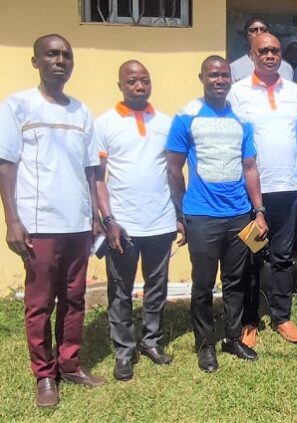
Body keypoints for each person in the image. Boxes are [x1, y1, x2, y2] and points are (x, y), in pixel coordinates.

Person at [0, 34, 105, 408]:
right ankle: (45, 375)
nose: (60, 61)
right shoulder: (18, 106)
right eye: (52, 54)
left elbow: (91, 170)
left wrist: (95, 216)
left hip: (77, 223)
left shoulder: (81, 112)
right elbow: (6, 166)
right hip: (38, 223)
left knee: (74, 299)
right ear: (36, 62)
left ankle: (70, 364)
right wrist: (12, 220)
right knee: (40, 303)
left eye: (66, 55)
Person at [166, 56, 268, 372]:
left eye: (224, 75)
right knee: (203, 283)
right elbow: (173, 169)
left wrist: (259, 211)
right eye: (213, 75)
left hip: (239, 215)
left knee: (236, 280)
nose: (220, 80)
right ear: (202, 78)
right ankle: (205, 345)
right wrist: (182, 211)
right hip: (202, 216)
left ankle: (232, 338)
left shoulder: (242, 120)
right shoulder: (186, 116)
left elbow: (250, 168)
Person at [94, 60, 183, 381]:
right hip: (123, 225)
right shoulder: (104, 123)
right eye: (132, 81)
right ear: (120, 85)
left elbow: (173, 172)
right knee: (120, 289)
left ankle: (151, 341)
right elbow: (98, 178)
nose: (139, 86)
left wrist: (179, 214)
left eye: (145, 80)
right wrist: (107, 219)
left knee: (156, 287)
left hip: (160, 220)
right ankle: (123, 351)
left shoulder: (166, 122)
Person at [229, 33, 297, 344]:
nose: (270, 55)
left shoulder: (294, 92)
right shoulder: (238, 92)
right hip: (252, 192)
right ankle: (249, 320)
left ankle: (281, 317)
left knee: (283, 257)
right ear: (252, 55)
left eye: (275, 50)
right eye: (263, 51)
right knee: (252, 256)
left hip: (287, 188)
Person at [230, 17, 294, 82]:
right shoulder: (235, 68)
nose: (259, 33)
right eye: (252, 30)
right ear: (246, 36)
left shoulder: (286, 68)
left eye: (264, 30)